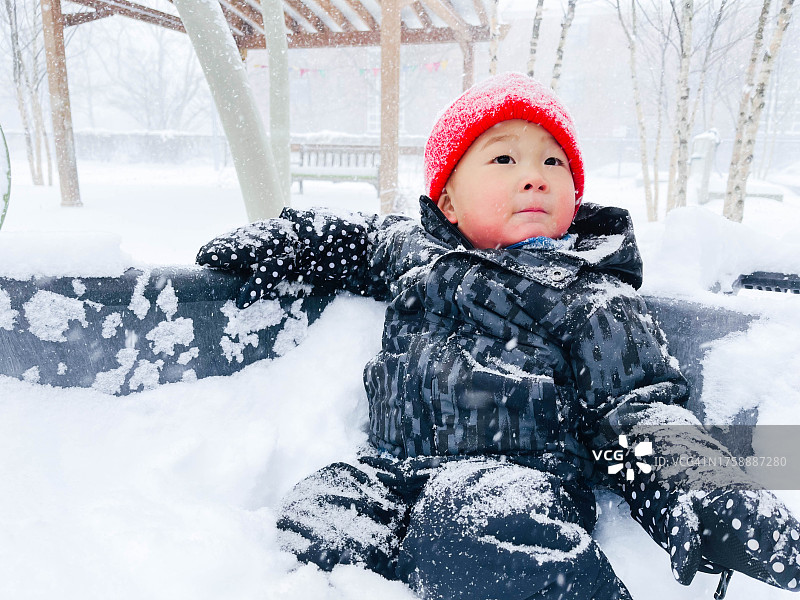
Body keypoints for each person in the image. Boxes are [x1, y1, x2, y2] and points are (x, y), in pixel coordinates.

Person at [196, 73, 800, 599]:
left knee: (467, 528)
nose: (534, 178)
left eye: (552, 162)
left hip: (513, 483)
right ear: (449, 200)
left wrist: (721, 502)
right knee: (316, 513)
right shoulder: (414, 250)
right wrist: (285, 243)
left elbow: (638, 414)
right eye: (504, 159)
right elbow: (353, 238)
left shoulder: (591, 295)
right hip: (390, 473)